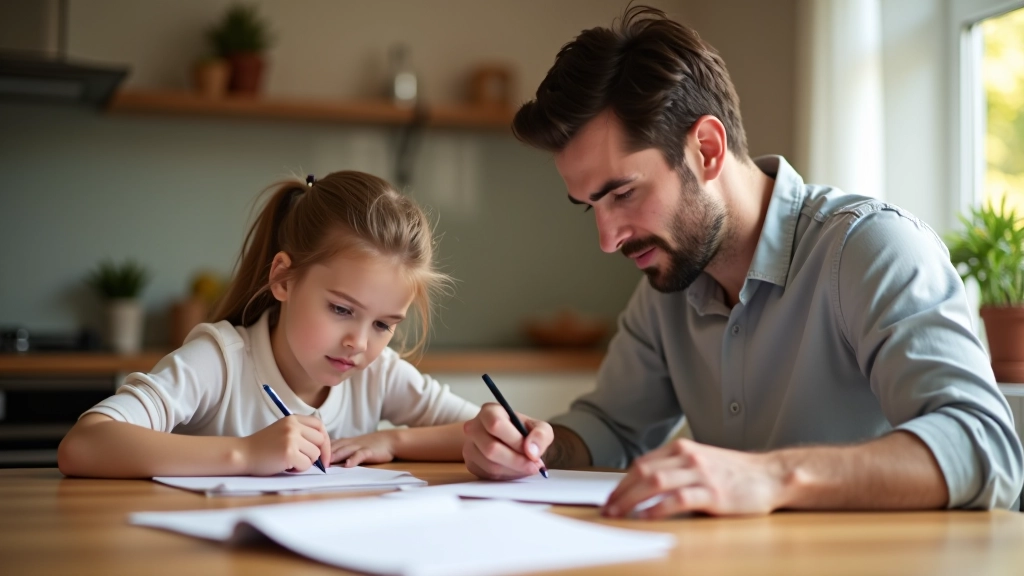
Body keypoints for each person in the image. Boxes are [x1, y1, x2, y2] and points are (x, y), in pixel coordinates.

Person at [462, 5, 1023, 516]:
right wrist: (534, 444)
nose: (608, 240)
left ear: (706, 149)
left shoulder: (870, 250)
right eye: (591, 208)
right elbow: (610, 426)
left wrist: (774, 476)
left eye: (623, 193)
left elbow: (985, 446)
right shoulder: (667, 289)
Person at [59, 171, 479, 477]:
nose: (359, 343)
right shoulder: (220, 360)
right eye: (341, 309)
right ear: (283, 278)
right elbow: (84, 444)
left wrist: (393, 440)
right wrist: (244, 454)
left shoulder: (378, 373)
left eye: (384, 325)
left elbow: (480, 431)